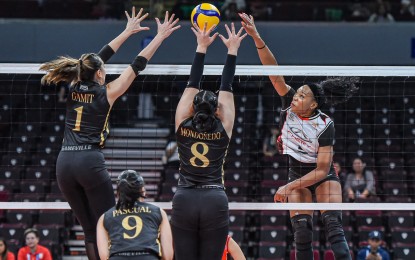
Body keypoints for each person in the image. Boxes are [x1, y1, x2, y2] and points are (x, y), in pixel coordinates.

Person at [39, 8, 180, 260]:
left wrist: (126, 32)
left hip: (64, 163)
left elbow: (94, 61)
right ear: (101, 74)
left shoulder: (73, 85)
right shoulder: (108, 91)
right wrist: (159, 37)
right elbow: (137, 65)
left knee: (90, 229)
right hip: (88, 161)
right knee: (109, 224)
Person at [239, 12, 358, 260]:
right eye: (297, 93)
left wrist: (287, 186)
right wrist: (256, 36)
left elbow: (323, 170)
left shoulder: (325, 124)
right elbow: (274, 71)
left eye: (302, 95)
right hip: (297, 171)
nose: (296, 97)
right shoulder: (288, 106)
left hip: (321, 175)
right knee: (302, 236)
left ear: (314, 105)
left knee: (334, 228)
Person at [171, 22, 246, 260]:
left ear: (192, 108)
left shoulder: (182, 123)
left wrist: (201, 47)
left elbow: (192, 83)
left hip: (185, 197)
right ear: (217, 111)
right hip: (214, 197)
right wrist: (232, 50)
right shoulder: (224, 126)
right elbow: (227, 85)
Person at [96, 170, 173, 260]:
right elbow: (168, 256)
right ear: (143, 191)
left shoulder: (105, 217)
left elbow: (104, 256)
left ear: (118, 193)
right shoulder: (159, 212)